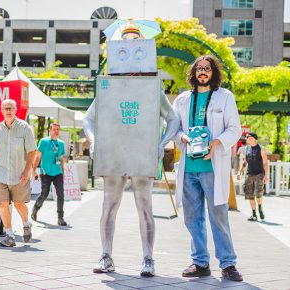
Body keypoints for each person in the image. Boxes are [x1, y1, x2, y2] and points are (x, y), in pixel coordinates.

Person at [83, 23, 180, 277]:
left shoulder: (152, 88)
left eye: (135, 41)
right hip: (114, 153)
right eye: (125, 41)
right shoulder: (109, 86)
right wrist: (94, 141)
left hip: (142, 153)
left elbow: (174, 119)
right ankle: (106, 256)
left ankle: (148, 259)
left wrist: (161, 143)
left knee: (145, 207)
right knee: (108, 207)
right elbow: (88, 119)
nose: (130, 45)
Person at [172, 55, 243, 281]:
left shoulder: (224, 97)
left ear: (213, 73)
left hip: (213, 167)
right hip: (189, 167)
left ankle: (228, 263)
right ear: (193, 73)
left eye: (207, 68)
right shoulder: (182, 99)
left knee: (218, 216)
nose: (202, 72)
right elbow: (173, 129)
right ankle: (200, 262)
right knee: (192, 218)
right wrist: (182, 136)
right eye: (199, 68)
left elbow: (235, 129)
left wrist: (217, 142)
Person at [0, 99, 37, 247]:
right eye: (5, 108)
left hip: (19, 175)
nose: (8, 111)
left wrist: (27, 172)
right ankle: (9, 235)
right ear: (1, 111)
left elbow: (32, 151)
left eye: (11, 108)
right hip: (0, 173)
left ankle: (26, 223)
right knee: (3, 203)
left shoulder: (25, 128)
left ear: (15, 110)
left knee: (19, 204)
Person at [32, 123, 67, 226]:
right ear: (50, 130)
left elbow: (61, 158)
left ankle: (60, 218)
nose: (56, 131)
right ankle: (35, 209)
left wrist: (63, 172)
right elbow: (37, 156)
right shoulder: (43, 141)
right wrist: (33, 170)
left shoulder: (61, 143)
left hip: (58, 172)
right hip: (46, 172)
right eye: (54, 129)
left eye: (57, 129)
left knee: (61, 194)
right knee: (44, 195)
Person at [237, 132, 268, 221]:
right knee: (250, 195)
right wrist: (239, 172)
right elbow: (244, 162)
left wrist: (266, 176)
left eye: (249, 137)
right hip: (249, 174)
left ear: (254, 139)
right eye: (246, 138)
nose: (247, 139)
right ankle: (254, 214)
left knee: (258, 194)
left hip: (259, 174)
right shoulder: (247, 148)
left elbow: (265, 163)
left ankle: (260, 208)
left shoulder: (261, 149)